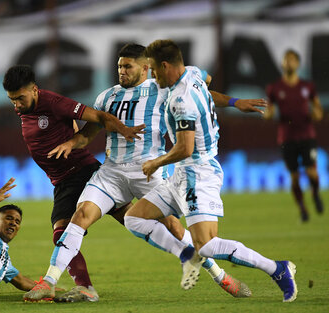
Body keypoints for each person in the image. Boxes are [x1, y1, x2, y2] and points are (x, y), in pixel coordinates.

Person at [24, 43, 269, 302]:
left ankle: (220, 275)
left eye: (127, 66)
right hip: (112, 173)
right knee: (80, 215)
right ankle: (49, 281)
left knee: (174, 227)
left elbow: (204, 94)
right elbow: (88, 135)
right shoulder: (106, 97)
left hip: (148, 171)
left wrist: (234, 102)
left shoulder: (162, 90)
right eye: (119, 66)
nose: (121, 71)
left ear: (145, 68)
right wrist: (70, 143)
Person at [117, 39, 298, 303]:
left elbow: (185, 148)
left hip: (197, 174)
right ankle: (185, 254)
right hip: (182, 174)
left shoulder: (181, 100)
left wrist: (155, 163)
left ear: (166, 66)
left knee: (208, 245)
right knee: (134, 218)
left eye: (154, 69)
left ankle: (276, 268)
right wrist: (234, 101)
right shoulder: (192, 72)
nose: (152, 76)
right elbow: (206, 85)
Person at [2, 65, 145, 302]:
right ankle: (85, 288)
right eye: (12, 100)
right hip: (62, 181)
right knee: (134, 221)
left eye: (19, 98)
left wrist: (124, 130)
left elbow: (98, 117)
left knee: (133, 222)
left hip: (81, 172)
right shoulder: (24, 108)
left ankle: (188, 244)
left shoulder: (53, 102)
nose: (16, 104)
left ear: (35, 90)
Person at [264, 49, 324, 222]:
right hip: (287, 137)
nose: (289, 63)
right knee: (295, 177)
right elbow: (270, 111)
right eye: (286, 59)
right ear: (282, 64)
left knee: (312, 173)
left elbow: (318, 108)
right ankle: (303, 209)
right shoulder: (275, 88)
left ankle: (315, 193)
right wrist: (266, 115)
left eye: (292, 59)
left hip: (307, 135)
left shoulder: (308, 86)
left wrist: (317, 114)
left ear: (298, 64)